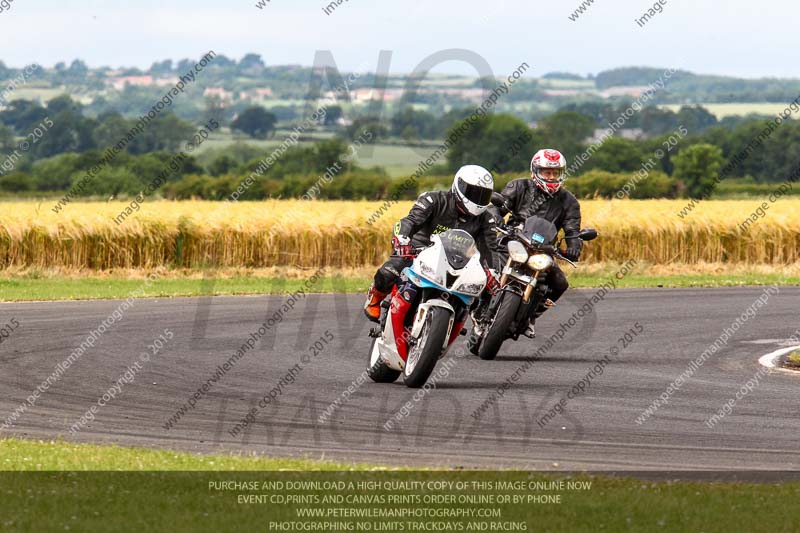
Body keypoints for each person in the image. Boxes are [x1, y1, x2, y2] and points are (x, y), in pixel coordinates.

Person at [363, 165, 502, 323]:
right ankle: (375, 295)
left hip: (458, 262)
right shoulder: (433, 199)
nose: (478, 199)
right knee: (391, 270)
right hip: (420, 249)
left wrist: (492, 271)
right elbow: (410, 221)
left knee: (483, 287)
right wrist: (402, 239)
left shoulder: (486, 219)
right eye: (474, 193)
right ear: (459, 186)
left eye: (483, 196)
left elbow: (490, 249)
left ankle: (479, 320)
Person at [488, 148, 583, 337]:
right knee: (486, 266)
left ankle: (531, 317)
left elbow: (573, 231)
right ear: (535, 171)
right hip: (512, 241)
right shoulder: (518, 186)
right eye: (547, 172)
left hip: (543, 251)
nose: (551, 177)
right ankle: (477, 303)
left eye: (555, 173)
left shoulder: (569, 201)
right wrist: (495, 217)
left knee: (560, 283)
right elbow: (497, 207)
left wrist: (574, 247)